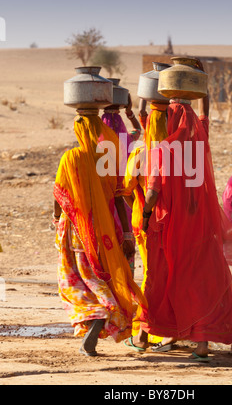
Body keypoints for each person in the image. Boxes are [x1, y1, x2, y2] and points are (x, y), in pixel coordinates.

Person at [125, 100, 232, 361]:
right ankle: (201, 346)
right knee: (198, 282)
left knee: (159, 280)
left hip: (169, 230)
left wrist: (145, 217)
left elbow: (153, 191)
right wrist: (201, 93)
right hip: (200, 227)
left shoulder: (162, 151)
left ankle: (144, 336)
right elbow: (204, 117)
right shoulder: (200, 143)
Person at [53, 112, 146, 356]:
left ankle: (98, 313)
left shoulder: (70, 157)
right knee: (101, 274)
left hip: (76, 230)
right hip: (106, 229)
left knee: (77, 278)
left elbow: (59, 195)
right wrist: (126, 234)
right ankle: (103, 312)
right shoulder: (108, 160)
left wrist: (56, 219)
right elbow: (118, 199)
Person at [122, 98, 169, 350]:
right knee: (172, 273)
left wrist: (140, 208)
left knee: (151, 275)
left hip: (147, 221)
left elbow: (126, 187)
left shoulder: (142, 152)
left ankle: (143, 335)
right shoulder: (182, 150)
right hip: (176, 222)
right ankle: (171, 332)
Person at [101, 94, 142, 275]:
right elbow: (137, 129)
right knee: (127, 244)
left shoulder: (98, 143)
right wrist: (129, 112)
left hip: (103, 202)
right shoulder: (128, 140)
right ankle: (128, 283)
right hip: (125, 203)